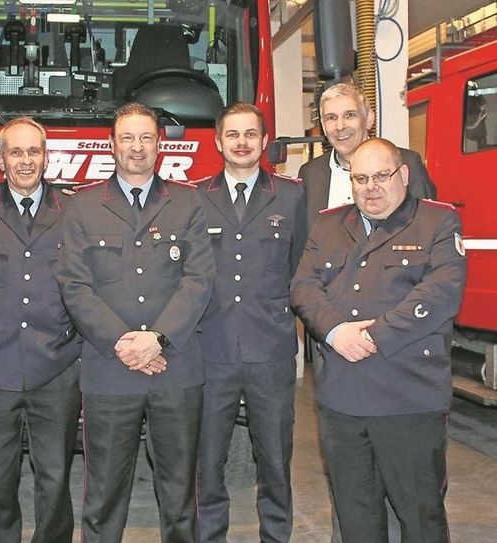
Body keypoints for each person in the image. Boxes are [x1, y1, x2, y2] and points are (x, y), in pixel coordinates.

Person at [291, 138, 466, 543]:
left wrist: (370, 336)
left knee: (420, 516)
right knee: (355, 515)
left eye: (381, 176)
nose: (371, 187)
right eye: (360, 178)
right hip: (342, 399)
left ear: (403, 175)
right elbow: (303, 286)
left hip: (407, 398)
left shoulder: (437, 222)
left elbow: (439, 294)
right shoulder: (330, 223)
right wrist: (335, 331)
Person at [58, 102, 215, 542]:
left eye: (146, 138)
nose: (137, 147)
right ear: (112, 145)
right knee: (104, 495)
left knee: (180, 493)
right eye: (127, 138)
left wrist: (157, 340)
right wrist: (124, 343)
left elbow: (198, 280)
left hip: (176, 369)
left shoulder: (187, 202)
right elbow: (75, 285)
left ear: (160, 145)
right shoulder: (84, 206)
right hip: (110, 370)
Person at [194, 103, 306, 543]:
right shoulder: (195, 197)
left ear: (264, 142)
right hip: (211, 351)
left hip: (271, 352)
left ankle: (276, 536)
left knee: (276, 460)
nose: (241, 142)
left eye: (250, 135)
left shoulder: (292, 195)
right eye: (232, 135)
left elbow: (303, 271)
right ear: (219, 142)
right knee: (208, 462)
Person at [0, 117, 82, 543]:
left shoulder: (72, 210)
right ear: (0, 159)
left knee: (54, 477)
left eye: (33, 152)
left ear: (46, 157)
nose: (25, 161)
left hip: (55, 366)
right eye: (15, 152)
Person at [299, 82, 436, 227]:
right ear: (323, 126)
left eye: (349, 115)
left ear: (369, 119)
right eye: (331, 118)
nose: (340, 126)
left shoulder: (406, 163)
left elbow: (428, 226)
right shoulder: (309, 174)